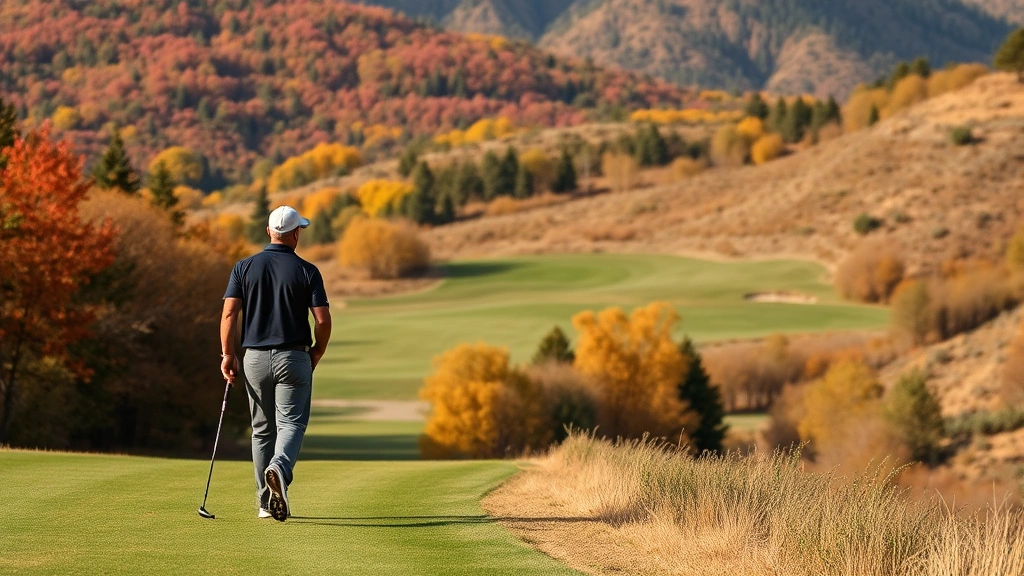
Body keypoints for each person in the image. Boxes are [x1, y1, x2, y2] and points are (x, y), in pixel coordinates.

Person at [219, 205, 332, 522]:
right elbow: (322, 320)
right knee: (292, 424)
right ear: (296, 234)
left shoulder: (244, 267)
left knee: (261, 431)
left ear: (269, 231)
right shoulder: (308, 271)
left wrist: (228, 354)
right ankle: (280, 467)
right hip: (294, 357)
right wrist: (317, 352)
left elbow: (230, 314)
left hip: (253, 357)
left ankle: (265, 504)